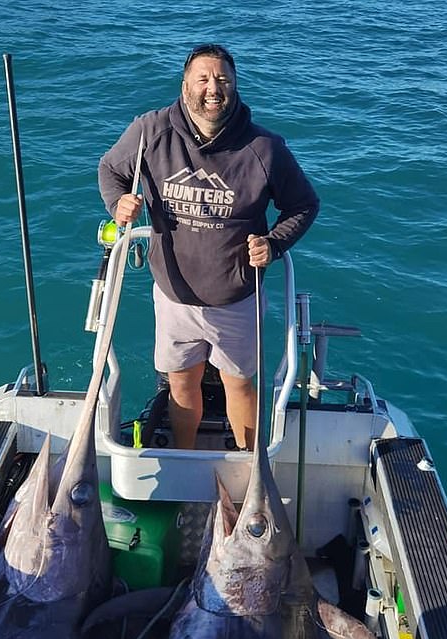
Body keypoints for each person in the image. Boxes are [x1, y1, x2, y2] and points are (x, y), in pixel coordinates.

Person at [98, 44, 319, 450]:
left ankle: (248, 468)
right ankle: (184, 458)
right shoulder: (150, 131)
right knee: (182, 383)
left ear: (235, 87)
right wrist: (119, 203)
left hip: (236, 299)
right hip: (173, 296)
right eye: (203, 79)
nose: (213, 88)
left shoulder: (264, 148)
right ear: (184, 86)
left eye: (222, 80)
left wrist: (274, 243)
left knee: (239, 385)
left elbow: (303, 205)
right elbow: (111, 169)